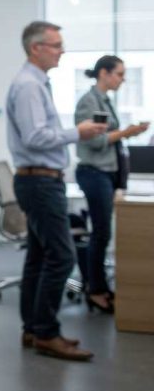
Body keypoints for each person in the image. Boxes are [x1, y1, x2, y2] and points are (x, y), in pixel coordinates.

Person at [6, 21, 107, 361]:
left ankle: (33, 329)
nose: (61, 50)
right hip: (39, 181)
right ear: (36, 48)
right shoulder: (29, 86)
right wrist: (76, 133)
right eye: (55, 45)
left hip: (40, 179)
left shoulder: (36, 83)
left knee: (39, 256)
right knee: (62, 256)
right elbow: (35, 137)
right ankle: (46, 332)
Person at [73, 55, 150, 314]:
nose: (123, 79)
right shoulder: (89, 101)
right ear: (104, 73)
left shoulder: (105, 101)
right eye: (119, 73)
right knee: (102, 232)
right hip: (94, 172)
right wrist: (127, 133)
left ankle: (100, 286)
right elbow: (95, 141)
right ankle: (96, 290)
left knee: (104, 231)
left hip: (106, 173)